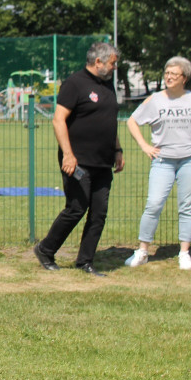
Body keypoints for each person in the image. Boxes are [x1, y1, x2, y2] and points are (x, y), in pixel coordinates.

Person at [124, 57, 191, 270]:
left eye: (174, 74)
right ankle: (142, 251)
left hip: (190, 160)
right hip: (162, 162)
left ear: (184, 78)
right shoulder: (155, 100)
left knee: (186, 206)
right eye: (167, 73)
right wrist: (144, 146)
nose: (169, 77)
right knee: (153, 204)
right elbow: (132, 121)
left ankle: (184, 253)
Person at [33, 42, 124, 276]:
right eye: (113, 63)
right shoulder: (75, 83)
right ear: (99, 62)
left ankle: (85, 261)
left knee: (99, 213)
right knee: (76, 207)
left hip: (103, 161)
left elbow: (108, 121)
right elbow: (58, 119)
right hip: (78, 161)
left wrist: (118, 150)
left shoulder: (108, 85)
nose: (115, 67)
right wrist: (68, 154)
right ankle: (45, 249)